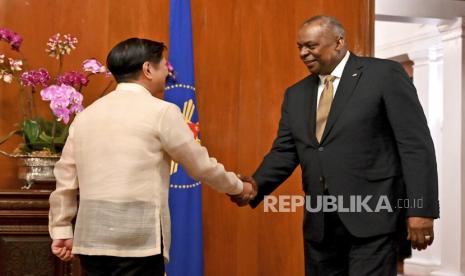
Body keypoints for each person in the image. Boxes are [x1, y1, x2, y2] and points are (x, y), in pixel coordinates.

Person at [232, 15, 439, 275]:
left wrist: (421, 210)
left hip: (374, 220)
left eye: (311, 46)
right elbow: (285, 151)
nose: (303, 53)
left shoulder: (384, 75)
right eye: (300, 47)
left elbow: (415, 145)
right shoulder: (295, 95)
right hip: (320, 228)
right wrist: (255, 185)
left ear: (339, 42)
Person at [48, 38, 256, 276]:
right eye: (164, 66)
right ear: (148, 69)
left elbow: (66, 177)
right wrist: (239, 187)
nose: (167, 72)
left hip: (92, 239)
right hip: (138, 241)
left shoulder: (86, 116)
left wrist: (62, 228)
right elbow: (201, 167)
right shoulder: (162, 112)